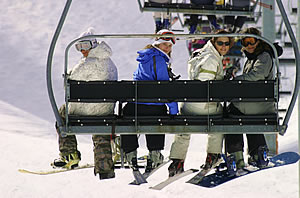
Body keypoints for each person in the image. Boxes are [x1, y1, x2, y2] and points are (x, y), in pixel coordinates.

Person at [52, 27, 118, 180]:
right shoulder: (110, 62)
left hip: (85, 109)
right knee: (100, 126)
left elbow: (72, 79)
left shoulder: (88, 63)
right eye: (79, 47)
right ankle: (104, 167)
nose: (82, 51)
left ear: (93, 44)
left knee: (61, 113)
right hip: (105, 110)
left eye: (85, 46)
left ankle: (69, 154)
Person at [168, 29, 234, 177]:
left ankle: (177, 161)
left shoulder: (200, 53)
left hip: (189, 106)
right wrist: (223, 82)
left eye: (227, 43)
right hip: (205, 106)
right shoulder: (211, 58)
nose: (223, 46)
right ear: (213, 41)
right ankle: (214, 156)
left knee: (184, 128)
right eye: (220, 43)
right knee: (219, 122)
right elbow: (204, 82)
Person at [121, 29, 179, 172]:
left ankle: (130, 154)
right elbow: (164, 89)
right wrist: (173, 110)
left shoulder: (144, 58)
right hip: (153, 109)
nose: (167, 48)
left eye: (170, 46)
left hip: (134, 108)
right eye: (165, 45)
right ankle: (155, 155)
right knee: (157, 115)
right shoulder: (159, 60)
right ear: (157, 44)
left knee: (128, 116)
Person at [225, 27, 280, 172]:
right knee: (249, 117)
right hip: (259, 104)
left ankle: (236, 156)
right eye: (246, 42)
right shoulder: (255, 57)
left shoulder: (264, 56)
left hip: (260, 105)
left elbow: (257, 76)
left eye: (252, 41)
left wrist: (236, 80)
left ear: (258, 41)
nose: (249, 45)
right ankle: (257, 153)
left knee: (229, 115)